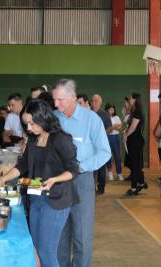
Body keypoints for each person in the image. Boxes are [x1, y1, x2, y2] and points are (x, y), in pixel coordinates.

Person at [0, 99, 79, 267]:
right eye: (26, 124)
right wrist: (1, 179)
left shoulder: (61, 139)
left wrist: (54, 179)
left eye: (31, 123)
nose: (28, 128)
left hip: (56, 201)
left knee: (47, 252)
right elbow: (22, 166)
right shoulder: (32, 139)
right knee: (36, 249)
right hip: (36, 198)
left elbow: (73, 170)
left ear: (43, 118)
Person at [52, 79, 111, 267]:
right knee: (60, 234)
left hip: (81, 181)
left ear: (73, 98)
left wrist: (80, 167)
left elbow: (104, 152)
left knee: (81, 235)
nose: (56, 104)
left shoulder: (91, 120)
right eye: (55, 100)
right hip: (58, 182)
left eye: (60, 100)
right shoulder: (53, 119)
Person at [124, 93, 147, 196]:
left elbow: (133, 127)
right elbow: (128, 123)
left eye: (131, 98)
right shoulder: (133, 111)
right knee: (135, 164)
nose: (129, 99)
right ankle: (141, 183)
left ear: (135, 99)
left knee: (135, 165)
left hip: (136, 141)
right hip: (132, 140)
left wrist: (126, 135)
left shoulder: (137, 112)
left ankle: (134, 188)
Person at [91, 94, 112, 195]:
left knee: (101, 167)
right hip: (90, 145)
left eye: (96, 101)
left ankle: (101, 187)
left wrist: (101, 134)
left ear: (100, 102)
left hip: (100, 145)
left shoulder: (104, 114)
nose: (93, 102)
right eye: (92, 100)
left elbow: (109, 128)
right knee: (91, 167)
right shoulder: (88, 113)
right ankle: (91, 187)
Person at [104, 103, 124, 181]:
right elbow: (107, 129)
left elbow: (120, 128)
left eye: (113, 109)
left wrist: (112, 127)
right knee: (109, 155)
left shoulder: (116, 117)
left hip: (116, 137)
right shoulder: (105, 118)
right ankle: (110, 172)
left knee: (117, 156)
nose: (112, 111)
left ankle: (119, 173)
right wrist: (114, 126)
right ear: (107, 110)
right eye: (110, 109)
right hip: (107, 137)